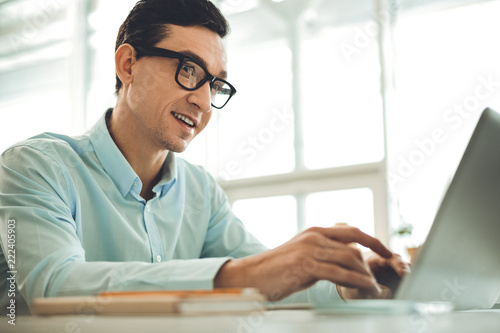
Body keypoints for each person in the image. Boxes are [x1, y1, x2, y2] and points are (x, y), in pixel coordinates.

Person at [0, 0, 409, 315]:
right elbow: (53, 284)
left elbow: (273, 277)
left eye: (215, 86)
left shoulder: (200, 192)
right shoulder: (35, 168)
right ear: (128, 64)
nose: (201, 101)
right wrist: (235, 277)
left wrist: (344, 283)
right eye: (189, 70)